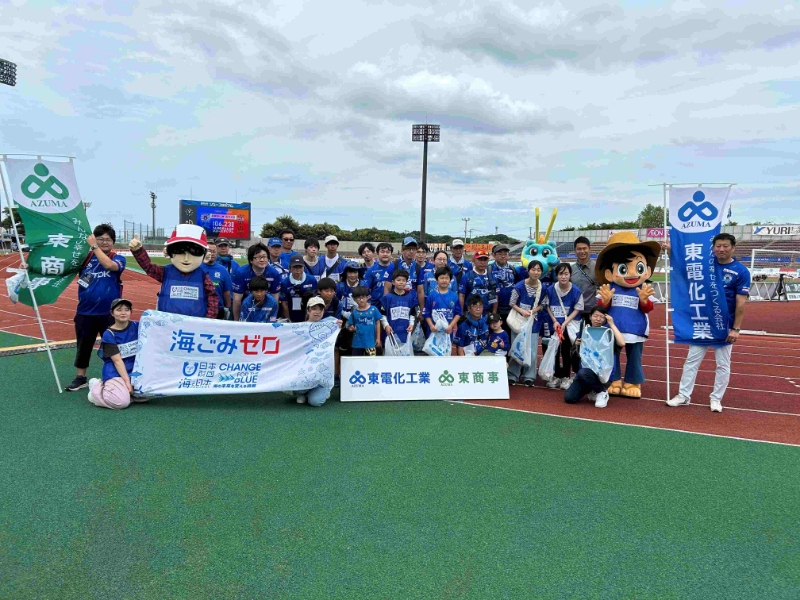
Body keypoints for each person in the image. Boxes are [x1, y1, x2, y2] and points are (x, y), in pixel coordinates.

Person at [667, 233, 751, 412]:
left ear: (733, 248)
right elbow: (683, 267)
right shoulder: (705, 264)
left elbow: (741, 303)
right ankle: (683, 395)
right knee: (691, 361)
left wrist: (736, 328)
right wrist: (670, 251)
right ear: (713, 248)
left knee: (722, 364)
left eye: (725, 246)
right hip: (703, 322)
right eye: (718, 246)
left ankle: (716, 399)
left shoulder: (741, 271)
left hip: (723, 325)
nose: (721, 249)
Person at [66, 224, 127, 392]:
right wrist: (30, 267)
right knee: (83, 345)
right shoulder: (84, 259)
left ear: (113, 242)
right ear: (95, 239)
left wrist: (94, 247)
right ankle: (80, 377)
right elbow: (62, 269)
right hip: (85, 311)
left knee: (113, 347)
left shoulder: (118, 258)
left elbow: (109, 266)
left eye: (108, 239)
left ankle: (117, 377)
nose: (104, 242)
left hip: (110, 314)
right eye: (100, 239)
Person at [130, 225, 219, 318]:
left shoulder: (203, 276)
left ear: (205, 255)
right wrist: (138, 251)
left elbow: (212, 297)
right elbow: (149, 267)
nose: (186, 258)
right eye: (180, 251)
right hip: (168, 322)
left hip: (194, 324)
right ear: (168, 252)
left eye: (195, 252)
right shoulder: (166, 272)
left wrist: (208, 320)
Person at [564, 307, 626, 408]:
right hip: (585, 375)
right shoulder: (584, 331)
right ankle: (594, 389)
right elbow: (576, 353)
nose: (598, 319)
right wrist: (576, 344)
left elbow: (622, 343)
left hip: (603, 375)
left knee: (583, 372)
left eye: (601, 317)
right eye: (595, 316)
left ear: (606, 319)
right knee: (569, 398)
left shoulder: (609, 333)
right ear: (590, 317)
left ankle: (601, 391)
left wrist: (612, 324)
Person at [88, 298, 142, 410]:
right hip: (116, 371)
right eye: (119, 310)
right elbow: (117, 361)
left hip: (135, 370)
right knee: (121, 403)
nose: (123, 312)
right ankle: (96, 389)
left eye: (126, 310)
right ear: (112, 313)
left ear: (131, 312)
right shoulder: (109, 334)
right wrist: (127, 382)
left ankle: (126, 394)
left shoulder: (138, 326)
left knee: (149, 393)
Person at [290, 296, 339, 407]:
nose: (317, 312)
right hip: (304, 368)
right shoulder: (299, 328)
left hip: (321, 371)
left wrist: (337, 324)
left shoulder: (329, 324)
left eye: (320, 309)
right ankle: (302, 392)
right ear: (308, 310)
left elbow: (333, 321)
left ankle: (322, 390)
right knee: (298, 383)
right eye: (314, 309)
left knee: (315, 402)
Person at [508, 261, 548, 386]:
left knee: (532, 350)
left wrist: (532, 311)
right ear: (528, 271)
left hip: (534, 322)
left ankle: (529, 375)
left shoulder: (543, 288)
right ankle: (513, 374)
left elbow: (543, 304)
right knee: (517, 347)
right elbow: (512, 303)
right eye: (533, 269)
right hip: (519, 322)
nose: (536, 272)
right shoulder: (519, 286)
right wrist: (522, 311)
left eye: (538, 270)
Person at [545, 263, 583, 390]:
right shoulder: (550, 290)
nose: (563, 276)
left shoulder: (576, 291)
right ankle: (556, 375)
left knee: (566, 351)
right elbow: (547, 306)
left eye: (566, 274)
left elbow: (577, 309)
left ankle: (566, 376)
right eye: (560, 274)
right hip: (554, 325)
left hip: (568, 325)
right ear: (556, 275)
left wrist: (565, 323)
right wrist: (555, 321)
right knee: (554, 351)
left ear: (570, 275)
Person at [231, 243, 281, 321]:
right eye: (258, 257)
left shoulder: (274, 273)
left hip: (266, 308)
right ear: (251, 260)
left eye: (264, 257)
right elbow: (237, 300)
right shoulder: (241, 273)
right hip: (246, 308)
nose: (262, 260)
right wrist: (237, 322)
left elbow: (275, 299)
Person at [423, 266, 462, 351]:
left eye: (446, 278)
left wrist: (451, 326)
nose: (444, 280)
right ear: (437, 280)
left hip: (447, 331)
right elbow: (426, 313)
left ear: (450, 280)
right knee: (433, 352)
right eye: (442, 278)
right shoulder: (431, 296)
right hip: (433, 330)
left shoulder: (454, 296)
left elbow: (458, 313)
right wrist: (431, 325)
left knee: (445, 352)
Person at [380, 269, 418, 345]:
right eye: (398, 280)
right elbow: (382, 314)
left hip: (405, 332)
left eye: (403, 280)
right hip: (391, 331)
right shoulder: (387, 297)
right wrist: (386, 325)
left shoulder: (410, 297)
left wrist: (411, 324)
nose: (401, 282)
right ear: (393, 282)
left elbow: (412, 313)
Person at [490, 243, 522, 332]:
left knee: (509, 334)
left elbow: (517, 286)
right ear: (494, 255)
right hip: (494, 309)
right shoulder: (489, 269)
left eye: (505, 254)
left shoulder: (513, 269)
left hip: (510, 309)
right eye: (500, 254)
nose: (503, 256)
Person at [281, 255, 318, 322]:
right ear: (290, 268)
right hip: (291, 314)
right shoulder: (285, 283)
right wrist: (288, 320)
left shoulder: (311, 280)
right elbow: (284, 303)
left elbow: (315, 301)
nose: (298, 270)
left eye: (300, 267)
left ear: (304, 268)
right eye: (295, 267)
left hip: (307, 315)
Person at [348, 285, 382, 356]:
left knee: (371, 361)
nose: (361, 300)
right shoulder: (354, 312)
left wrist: (378, 338)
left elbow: (378, 323)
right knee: (356, 361)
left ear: (367, 297)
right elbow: (350, 325)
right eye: (358, 298)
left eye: (363, 297)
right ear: (354, 299)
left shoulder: (374, 309)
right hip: (357, 343)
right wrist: (351, 328)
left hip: (371, 343)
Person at [202, 241, 233, 319]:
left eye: (214, 251)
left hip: (218, 309)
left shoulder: (222, 270)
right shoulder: (197, 267)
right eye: (209, 251)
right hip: (201, 308)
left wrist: (227, 308)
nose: (212, 254)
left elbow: (226, 292)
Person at [571, 236, 598, 321]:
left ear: (589, 249)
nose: (582, 251)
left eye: (584, 248)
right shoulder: (570, 269)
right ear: (575, 251)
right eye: (579, 249)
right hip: (574, 311)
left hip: (592, 312)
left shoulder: (597, 268)